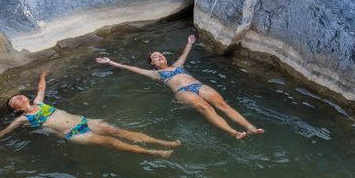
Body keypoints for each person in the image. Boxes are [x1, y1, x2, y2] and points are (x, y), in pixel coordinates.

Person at [0, 71, 180, 159]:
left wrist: (42, 74)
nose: (21, 98)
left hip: (84, 121)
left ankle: (163, 141)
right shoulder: (23, 119)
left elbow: (41, 87)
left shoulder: (39, 102)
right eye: (16, 101)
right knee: (110, 142)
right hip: (73, 133)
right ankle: (156, 152)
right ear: (15, 109)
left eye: (21, 96)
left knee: (117, 130)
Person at [95, 35, 264, 139]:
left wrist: (189, 42)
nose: (159, 56)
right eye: (155, 56)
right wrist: (111, 62)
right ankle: (233, 132)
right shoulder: (155, 74)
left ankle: (250, 127)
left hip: (198, 85)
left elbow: (185, 53)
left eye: (160, 54)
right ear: (152, 64)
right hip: (182, 92)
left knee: (222, 105)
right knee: (205, 108)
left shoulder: (178, 65)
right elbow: (131, 68)